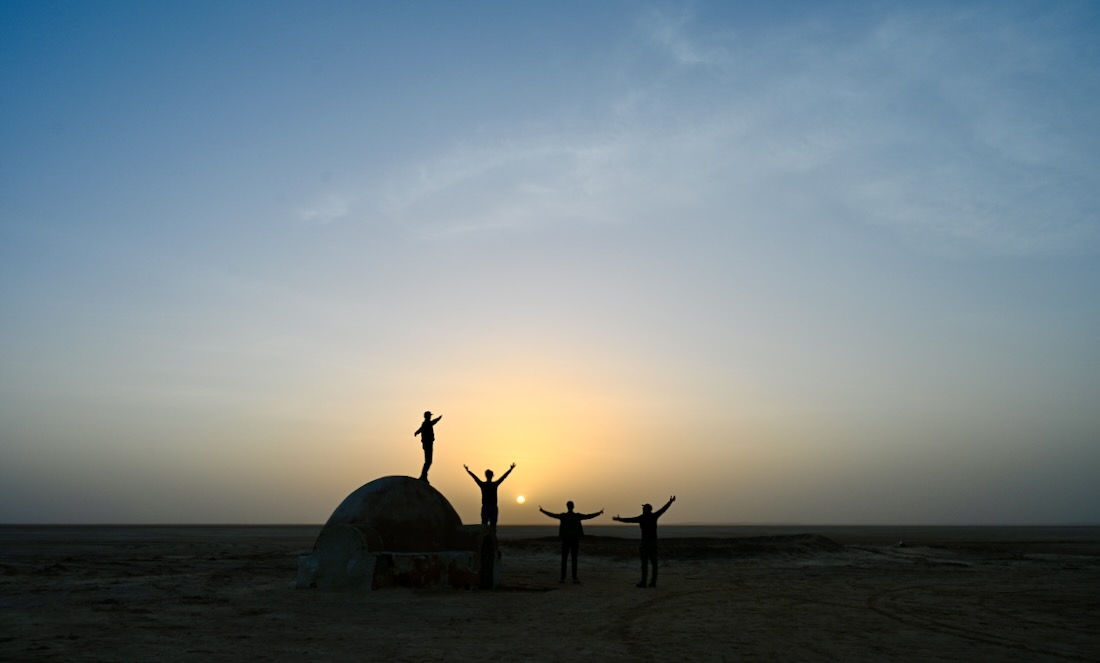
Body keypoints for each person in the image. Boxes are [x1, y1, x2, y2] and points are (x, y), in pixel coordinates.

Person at [613, 495, 676, 588]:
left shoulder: (642, 518)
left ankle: (644, 582)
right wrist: (670, 502)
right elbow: (663, 509)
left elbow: (630, 520)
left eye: (643, 508)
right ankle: (652, 582)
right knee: (653, 564)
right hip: (652, 543)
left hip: (646, 543)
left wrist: (619, 519)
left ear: (646, 509)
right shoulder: (653, 516)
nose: (642, 509)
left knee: (645, 564)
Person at [539, 501, 603, 584]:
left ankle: (563, 578)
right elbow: (588, 516)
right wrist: (599, 513)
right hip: (574, 540)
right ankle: (574, 578)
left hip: (566, 539)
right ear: (573, 506)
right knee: (574, 559)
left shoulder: (563, 516)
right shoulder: (577, 516)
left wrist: (543, 511)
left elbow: (552, 515)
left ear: (567, 506)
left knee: (564, 559)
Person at [464, 463, 515, 528]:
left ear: (486, 476)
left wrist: (468, 471)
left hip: (486, 507)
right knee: (492, 526)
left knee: (484, 525)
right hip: (492, 507)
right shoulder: (494, 485)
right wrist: (510, 469)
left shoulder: (483, 485)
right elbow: (503, 477)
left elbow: (475, 478)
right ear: (492, 476)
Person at [413, 411, 441, 482]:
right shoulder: (427, 423)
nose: (430, 417)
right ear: (427, 416)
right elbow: (433, 422)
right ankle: (423, 475)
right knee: (428, 461)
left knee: (428, 461)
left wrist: (417, 432)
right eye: (429, 416)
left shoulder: (425, 424)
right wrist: (438, 418)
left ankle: (424, 475)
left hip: (428, 444)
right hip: (428, 444)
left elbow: (420, 429)